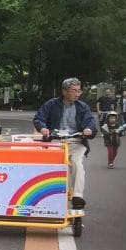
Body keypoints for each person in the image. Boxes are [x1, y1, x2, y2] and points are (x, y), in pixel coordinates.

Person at [33, 77, 98, 209]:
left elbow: (91, 122)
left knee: (76, 163)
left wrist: (88, 129)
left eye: (79, 91)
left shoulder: (83, 107)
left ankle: (77, 196)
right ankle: (46, 195)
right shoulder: (51, 104)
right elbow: (38, 118)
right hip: (55, 140)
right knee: (50, 167)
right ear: (64, 91)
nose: (77, 94)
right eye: (74, 90)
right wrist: (43, 128)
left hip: (76, 141)